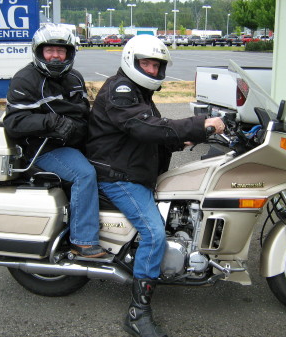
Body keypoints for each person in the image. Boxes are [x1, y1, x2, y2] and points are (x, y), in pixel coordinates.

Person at [86, 35, 225, 337]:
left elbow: (149, 132)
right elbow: (143, 127)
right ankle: (138, 314)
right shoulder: (121, 90)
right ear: (131, 62)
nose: (151, 69)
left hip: (132, 169)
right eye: (146, 63)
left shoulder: (138, 92)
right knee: (153, 232)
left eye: (156, 65)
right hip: (118, 175)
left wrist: (184, 138)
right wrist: (199, 125)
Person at [3, 23, 105, 258]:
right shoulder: (24, 80)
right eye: (50, 51)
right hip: (44, 149)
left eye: (62, 51)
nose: (56, 56)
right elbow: (14, 122)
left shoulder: (75, 78)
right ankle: (82, 241)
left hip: (73, 142)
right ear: (39, 52)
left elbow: (83, 112)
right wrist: (51, 122)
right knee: (84, 174)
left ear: (70, 53)